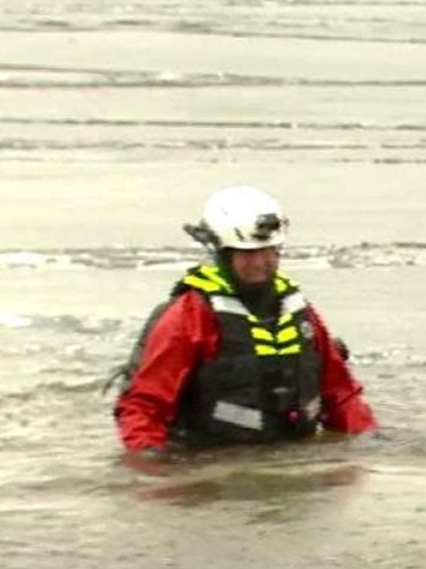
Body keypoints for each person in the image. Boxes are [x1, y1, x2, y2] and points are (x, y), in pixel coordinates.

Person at [112, 185, 375, 455]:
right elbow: (144, 408)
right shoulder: (189, 316)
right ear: (223, 254)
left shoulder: (300, 312)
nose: (261, 263)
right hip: (211, 467)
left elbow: (341, 394)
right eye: (248, 254)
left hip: (295, 461)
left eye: (269, 251)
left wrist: (366, 450)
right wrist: (149, 473)